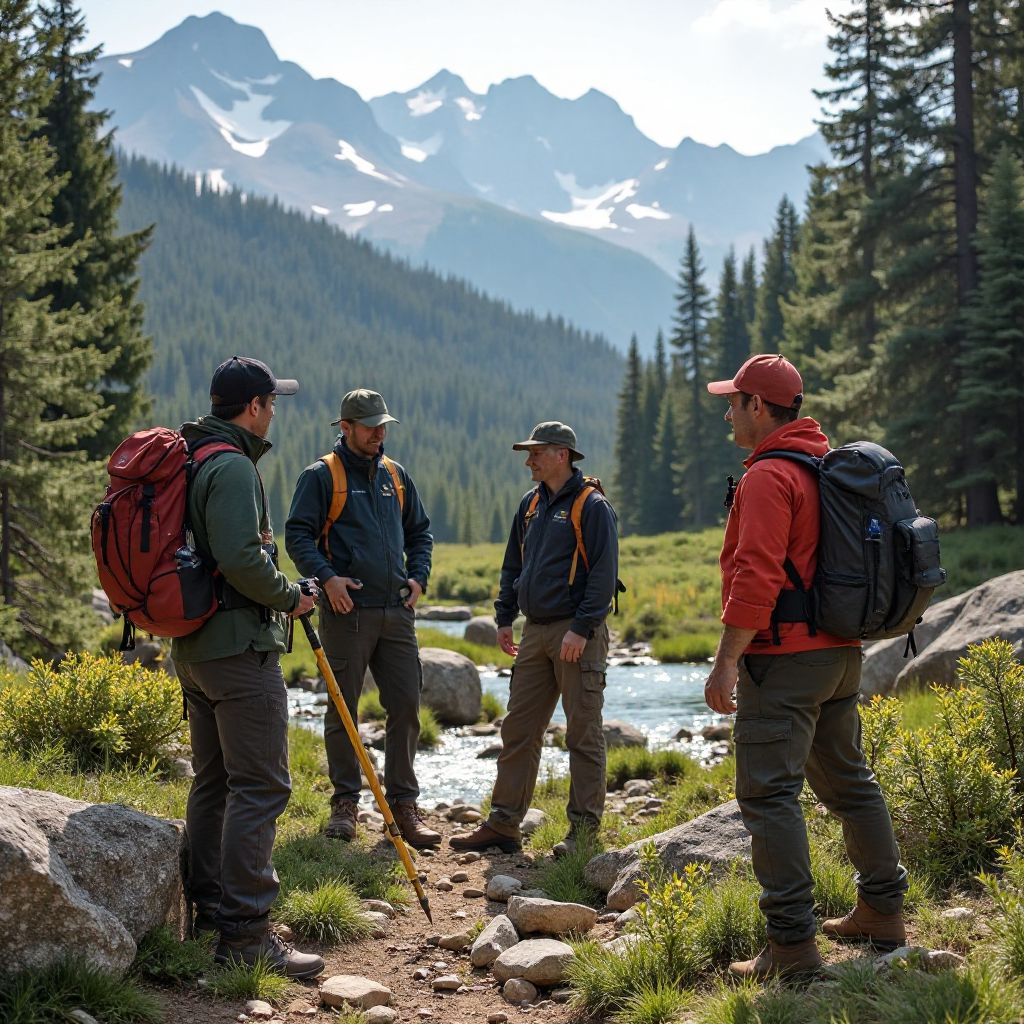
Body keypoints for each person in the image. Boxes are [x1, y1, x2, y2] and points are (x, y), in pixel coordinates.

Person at [704, 353, 909, 979]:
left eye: (734, 401)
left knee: (769, 796)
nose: (728, 411)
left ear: (759, 407)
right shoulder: (823, 466)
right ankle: (881, 910)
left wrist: (725, 662)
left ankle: (790, 949)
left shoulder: (771, 476)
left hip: (786, 660)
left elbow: (757, 576)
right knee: (849, 783)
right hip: (840, 656)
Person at [172, 356, 323, 979]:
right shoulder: (232, 466)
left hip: (196, 649)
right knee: (260, 786)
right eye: (272, 402)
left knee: (213, 783)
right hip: (238, 652)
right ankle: (247, 931)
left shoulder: (192, 456)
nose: (275, 412)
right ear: (254, 407)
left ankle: (209, 907)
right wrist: (292, 596)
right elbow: (239, 557)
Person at [450, 422, 618, 856]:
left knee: (582, 732)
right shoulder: (530, 504)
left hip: (576, 633)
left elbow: (603, 576)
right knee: (519, 730)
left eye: (536, 452)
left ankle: (582, 834)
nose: (529, 460)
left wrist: (581, 629)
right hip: (534, 632)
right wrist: (504, 616)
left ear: (561, 454)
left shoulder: (593, 506)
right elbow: (513, 566)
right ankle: (504, 824)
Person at [285, 389, 438, 848]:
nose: (379, 433)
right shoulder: (320, 476)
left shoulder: (396, 475)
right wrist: (328, 579)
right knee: (343, 709)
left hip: (397, 612)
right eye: (370, 425)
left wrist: (419, 577)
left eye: (382, 424)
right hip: (346, 613)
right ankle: (345, 804)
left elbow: (421, 532)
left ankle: (403, 806)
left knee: (407, 706)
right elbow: (298, 536)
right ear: (345, 427)